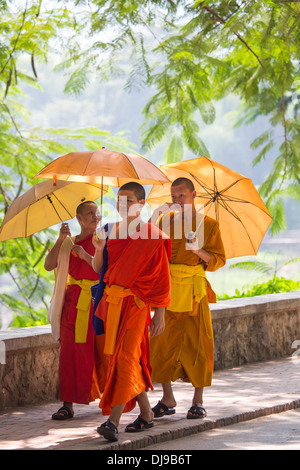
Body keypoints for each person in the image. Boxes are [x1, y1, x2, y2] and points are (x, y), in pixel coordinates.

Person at [92, 182, 171, 442]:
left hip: (136, 305)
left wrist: (159, 313)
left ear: (141, 204)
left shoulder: (152, 235)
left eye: (128, 200)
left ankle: (113, 421)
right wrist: (100, 248)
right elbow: (99, 269)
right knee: (123, 359)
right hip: (111, 302)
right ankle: (147, 413)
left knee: (125, 357)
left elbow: (161, 278)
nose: (122, 204)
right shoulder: (109, 231)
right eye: (118, 200)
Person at [149, 177, 226, 420]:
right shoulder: (164, 221)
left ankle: (198, 400)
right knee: (161, 342)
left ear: (194, 194)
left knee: (199, 344)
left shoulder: (209, 225)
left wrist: (198, 251)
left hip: (194, 292)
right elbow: (156, 255)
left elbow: (218, 260)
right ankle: (167, 397)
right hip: (168, 289)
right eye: (173, 197)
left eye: (181, 196)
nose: (177, 201)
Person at [45, 201, 107, 420]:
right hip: (72, 303)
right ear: (79, 218)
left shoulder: (103, 241)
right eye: (90, 213)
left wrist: (86, 257)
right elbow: (49, 264)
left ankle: (110, 400)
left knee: (102, 351)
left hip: (96, 301)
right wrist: (61, 240)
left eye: (97, 213)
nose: (95, 217)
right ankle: (67, 404)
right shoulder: (69, 242)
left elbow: (107, 272)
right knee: (68, 353)